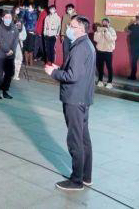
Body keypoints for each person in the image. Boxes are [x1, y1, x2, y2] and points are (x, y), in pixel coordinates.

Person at [44, 15, 96, 191]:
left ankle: (76, 180)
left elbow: (72, 76)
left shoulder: (80, 47)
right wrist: (60, 68)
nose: (68, 29)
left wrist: (53, 73)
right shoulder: (87, 44)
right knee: (84, 138)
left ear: (80, 28)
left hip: (74, 99)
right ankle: (86, 176)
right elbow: (79, 71)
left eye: (71, 26)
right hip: (83, 98)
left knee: (75, 140)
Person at [0, 11, 19, 99]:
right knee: (0, 74)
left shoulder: (14, 28)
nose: (8, 19)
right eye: (6, 17)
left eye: (9, 17)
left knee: (9, 73)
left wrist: (12, 50)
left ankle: (5, 91)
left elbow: (16, 40)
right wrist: (7, 50)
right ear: (2, 18)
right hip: (1, 54)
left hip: (11, 55)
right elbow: (0, 40)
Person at [93, 18, 117, 89]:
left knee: (109, 67)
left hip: (108, 51)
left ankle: (110, 82)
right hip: (100, 51)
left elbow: (111, 39)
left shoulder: (112, 30)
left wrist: (106, 32)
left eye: (106, 22)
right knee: (100, 67)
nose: (104, 23)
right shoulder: (99, 30)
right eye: (103, 22)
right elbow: (96, 39)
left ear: (109, 23)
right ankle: (100, 81)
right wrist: (99, 32)